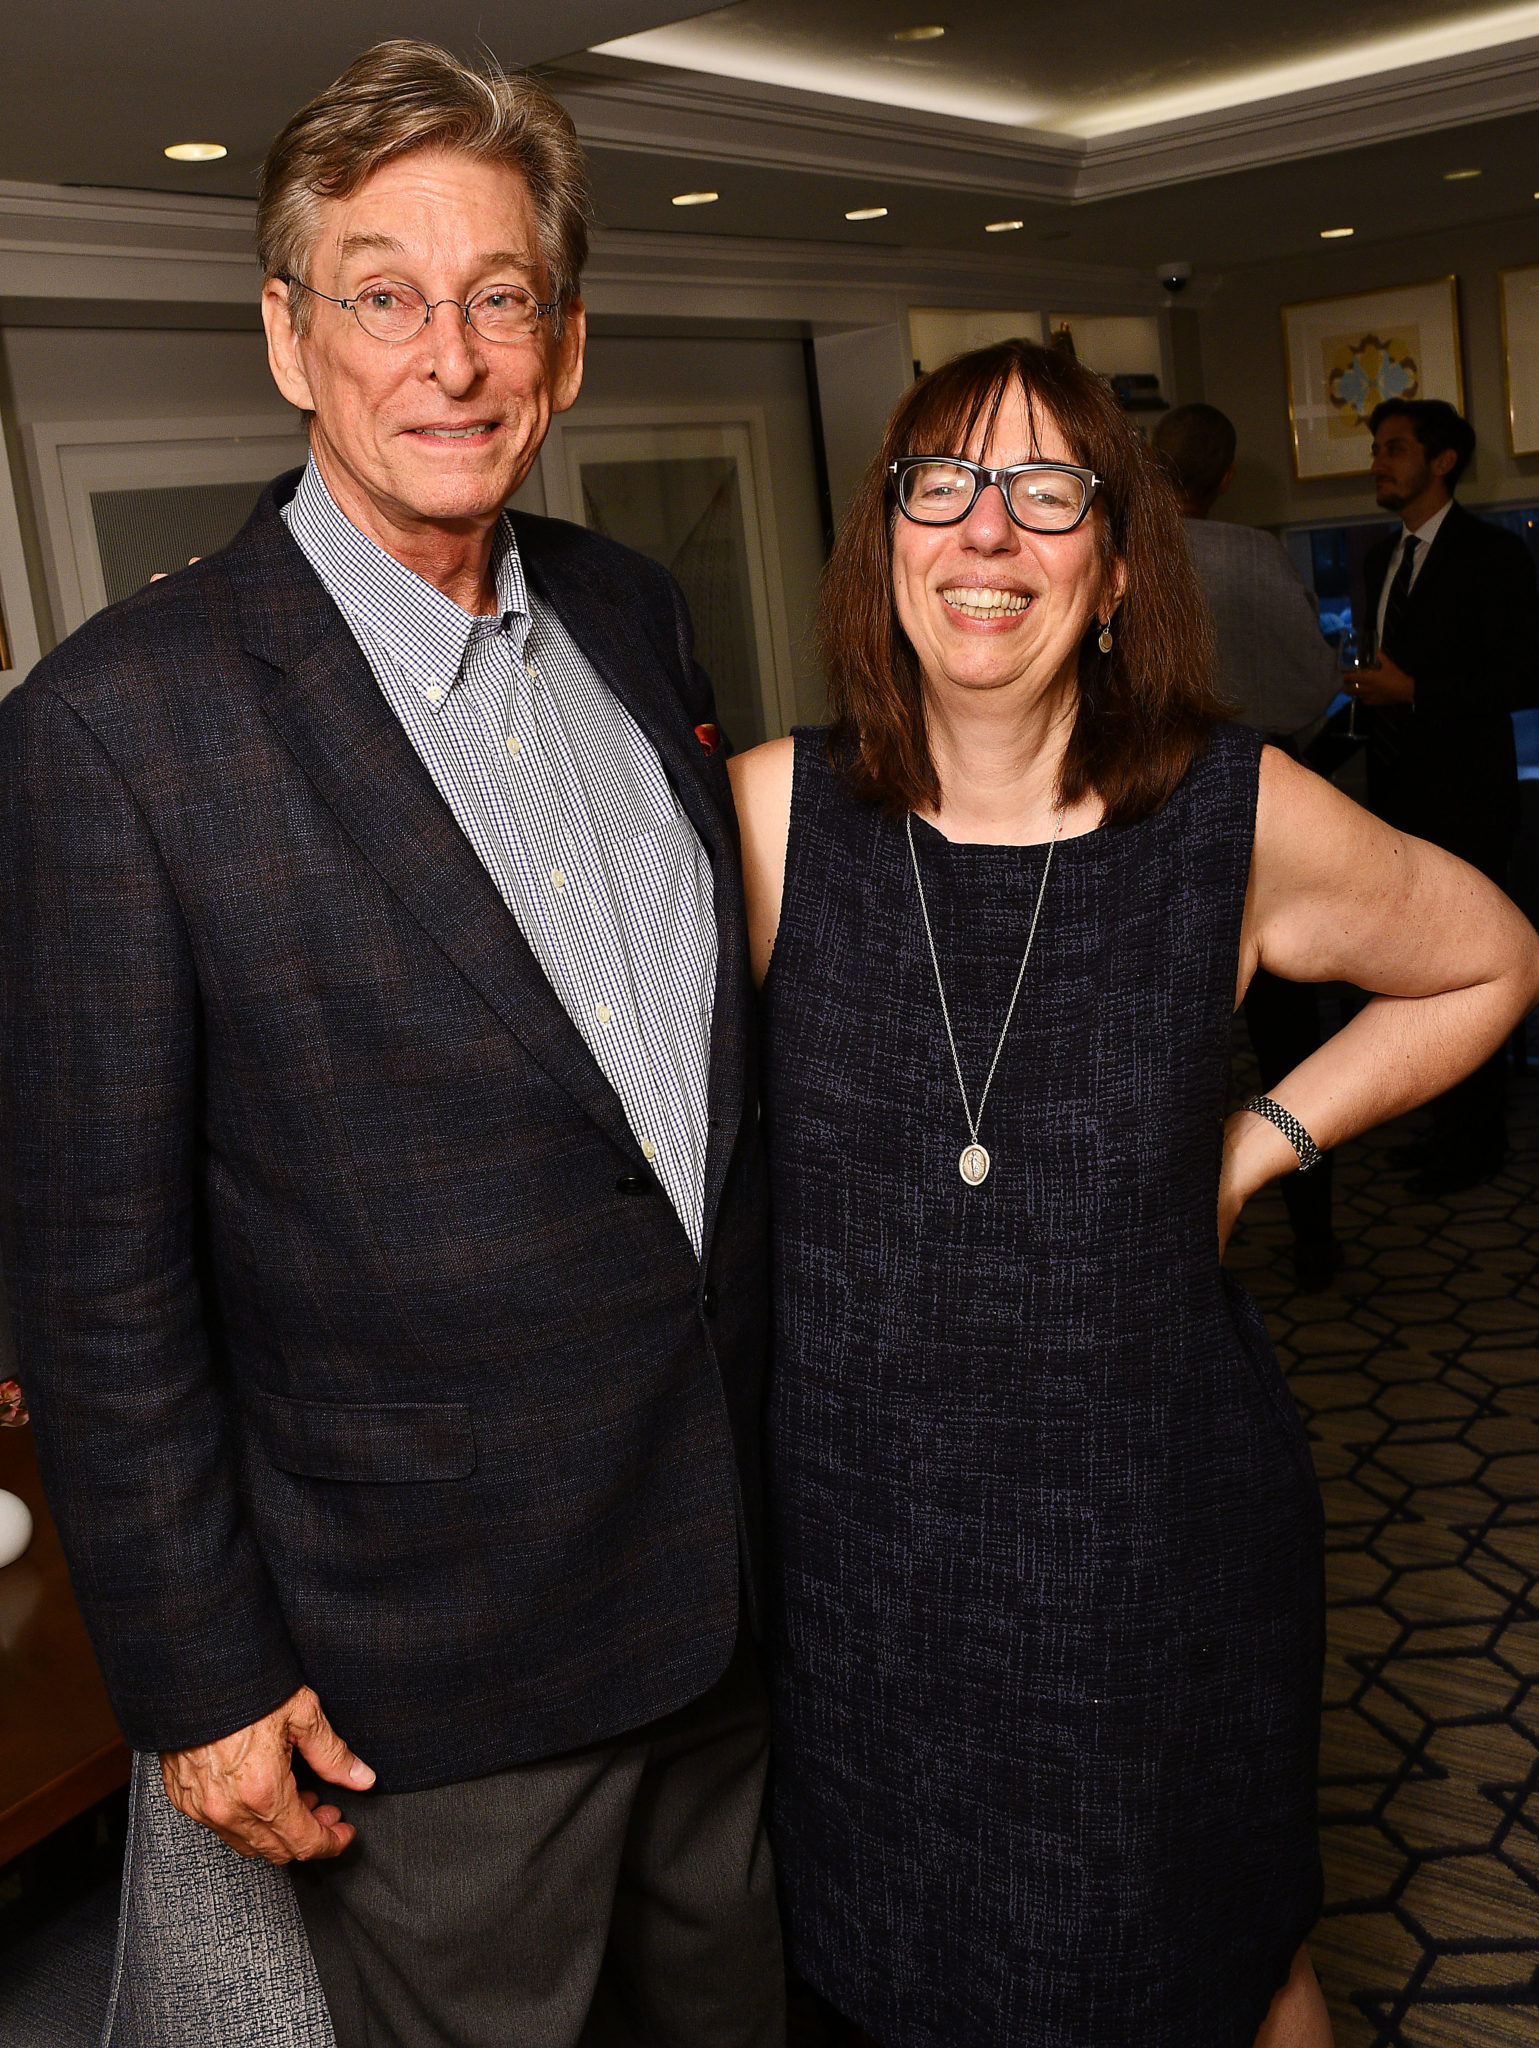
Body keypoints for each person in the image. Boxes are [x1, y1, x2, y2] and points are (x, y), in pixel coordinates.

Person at [0, 40, 782, 2048]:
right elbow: (97, 1272)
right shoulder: (115, 732)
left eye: (498, 292)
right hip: (432, 1675)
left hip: (736, 1606)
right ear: (290, 338)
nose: (448, 353)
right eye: (382, 292)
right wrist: (194, 1674)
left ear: (567, 345)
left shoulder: (629, 609)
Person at [729, 340, 1539, 2048]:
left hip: (1149, 1546)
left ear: (1109, 570)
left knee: (1210, 1960)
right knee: (895, 1978)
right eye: (939, 486)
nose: (985, 535)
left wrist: (1256, 1143)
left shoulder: (1222, 818)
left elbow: (1484, 958)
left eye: (1047, 494)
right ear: (884, 544)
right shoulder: (767, 821)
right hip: (862, 1569)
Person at [1154, 402, 1343, 1289]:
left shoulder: (1129, 560)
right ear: (1226, 479)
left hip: (1151, 815)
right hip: (1276, 815)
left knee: (1158, 1048)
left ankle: (1160, 1245)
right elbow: (1314, 688)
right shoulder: (1260, 556)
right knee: (1291, 1047)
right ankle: (1315, 1233)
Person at [1351, 397, 1539, 1196]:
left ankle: (1476, 1143)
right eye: (1376, 450)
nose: (1377, 463)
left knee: (1471, 972)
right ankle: (1440, 1126)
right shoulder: (1373, 560)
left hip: (1467, 799)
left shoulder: (1494, 555)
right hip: (1391, 802)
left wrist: (1417, 693)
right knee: (1415, 977)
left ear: (1442, 461)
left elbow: (1524, 677)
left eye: (1394, 448)